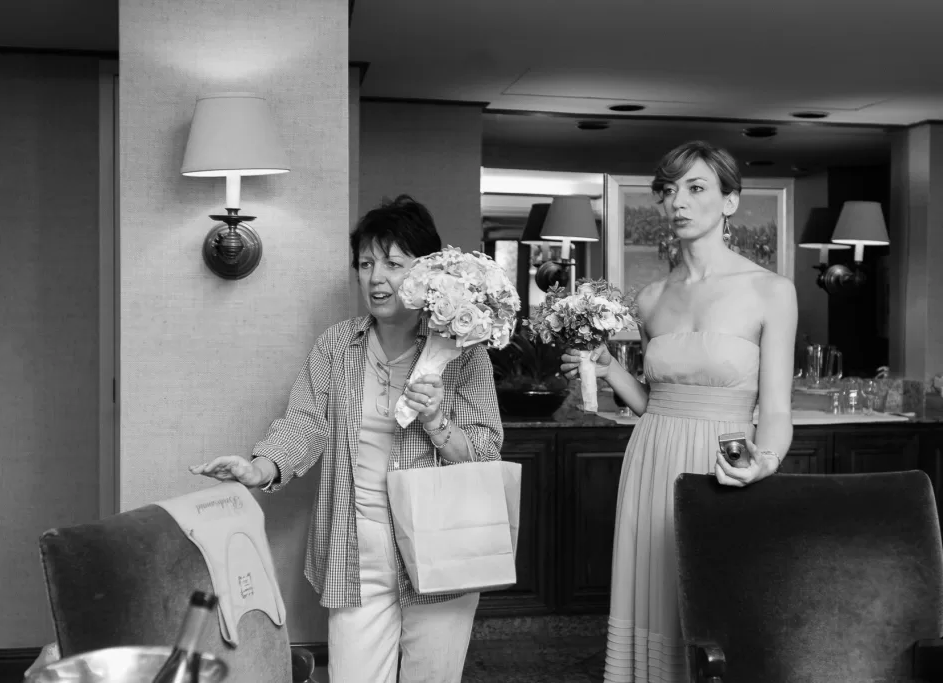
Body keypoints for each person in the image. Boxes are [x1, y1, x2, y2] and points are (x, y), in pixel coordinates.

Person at [190, 194, 503, 683]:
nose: (376, 278)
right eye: (365, 263)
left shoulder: (464, 354)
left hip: (441, 545)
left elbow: (485, 452)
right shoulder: (338, 345)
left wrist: (438, 421)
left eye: (394, 264)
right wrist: (260, 468)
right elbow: (306, 421)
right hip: (357, 548)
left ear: (428, 274)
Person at [560, 141, 797, 682]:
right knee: (656, 598)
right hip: (651, 462)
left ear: (730, 202)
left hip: (725, 465)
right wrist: (608, 370)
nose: (679, 202)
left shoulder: (770, 291)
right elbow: (653, 401)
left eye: (696, 188)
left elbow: (777, 410)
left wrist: (766, 462)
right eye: (669, 191)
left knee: (718, 605)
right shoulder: (647, 299)